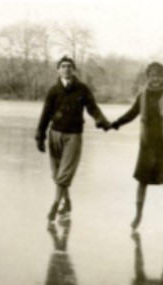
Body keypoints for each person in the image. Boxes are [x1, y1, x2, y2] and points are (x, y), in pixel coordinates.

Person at [35, 56, 111, 222]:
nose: (66, 69)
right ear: (58, 70)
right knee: (57, 174)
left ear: (74, 69)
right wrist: (40, 135)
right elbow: (46, 113)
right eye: (63, 66)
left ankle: (55, 205)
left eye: (69, 66)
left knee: (64, 173)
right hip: (54, 134)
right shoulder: (53, 90)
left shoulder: (82, 89)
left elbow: (93, 108)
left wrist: (101, 120)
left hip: (73, 136)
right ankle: (67, 202)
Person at [111, 62, 163, 231]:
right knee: (142, 181)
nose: (155, 78)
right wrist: (116, 123)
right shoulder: (142, 95)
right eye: (152, 75)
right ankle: (138, 215)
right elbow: (132, 113)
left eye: (158, 75)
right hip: (147, 145)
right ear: (148, 76)